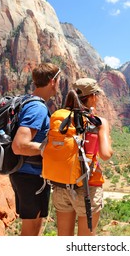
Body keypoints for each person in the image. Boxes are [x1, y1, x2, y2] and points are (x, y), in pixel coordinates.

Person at [52, 77, 113, 236]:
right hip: (88, 186)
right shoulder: (99, 121)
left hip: (61, 184)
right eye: (96, 95)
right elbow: (106, 154)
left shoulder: (60, 118)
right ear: (92, 96)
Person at [10, 62, 61, 236]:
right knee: (30, 232)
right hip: (29, 176)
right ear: (52, 81)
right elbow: (19, 145)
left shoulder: (29, 102)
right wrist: (50, 149)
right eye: (59, 80)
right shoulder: (37, 108)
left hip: (29, 175)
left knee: (34, 228)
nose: (59, 85)